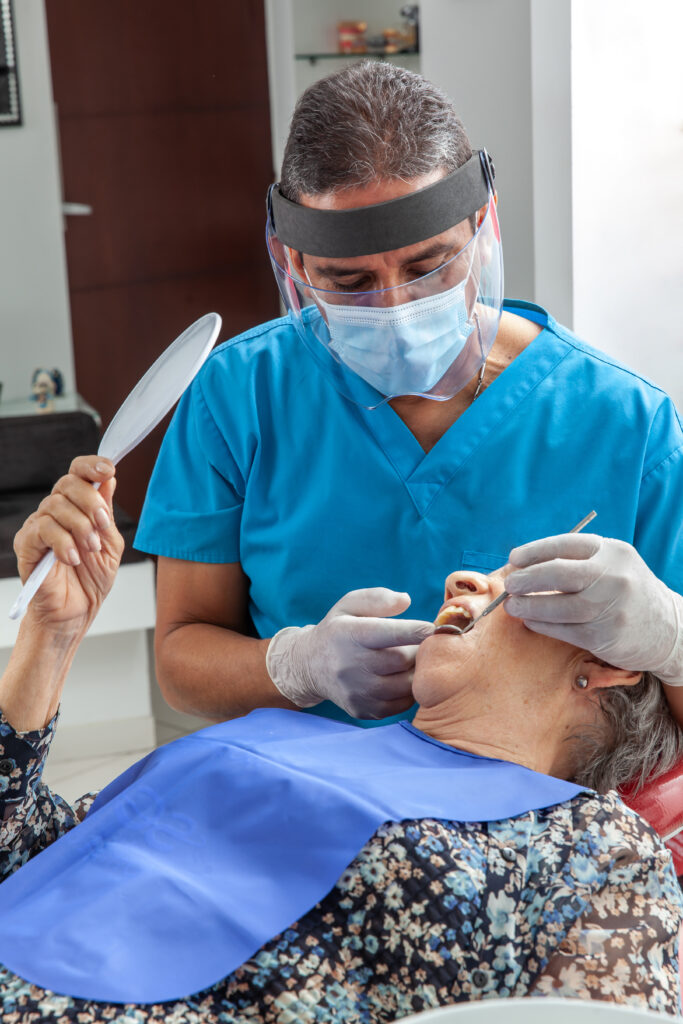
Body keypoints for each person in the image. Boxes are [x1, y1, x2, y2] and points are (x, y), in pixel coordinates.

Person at [1, 458, 682, 1022]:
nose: (461, 580)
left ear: (610, 662)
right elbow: (30, 856)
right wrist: (50, 636)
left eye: (509, 588)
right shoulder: (272, 734)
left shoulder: (597, 850)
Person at [133, 60, 683, 731]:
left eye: (428, 266)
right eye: (349, 279)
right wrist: (296, 667)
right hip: (309, 803)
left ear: (483, 225)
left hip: (544, 819)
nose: (394, 307)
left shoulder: (625, 423)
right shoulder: (238, 395)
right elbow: (182, 658)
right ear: (295, 264)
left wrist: (671, 643)